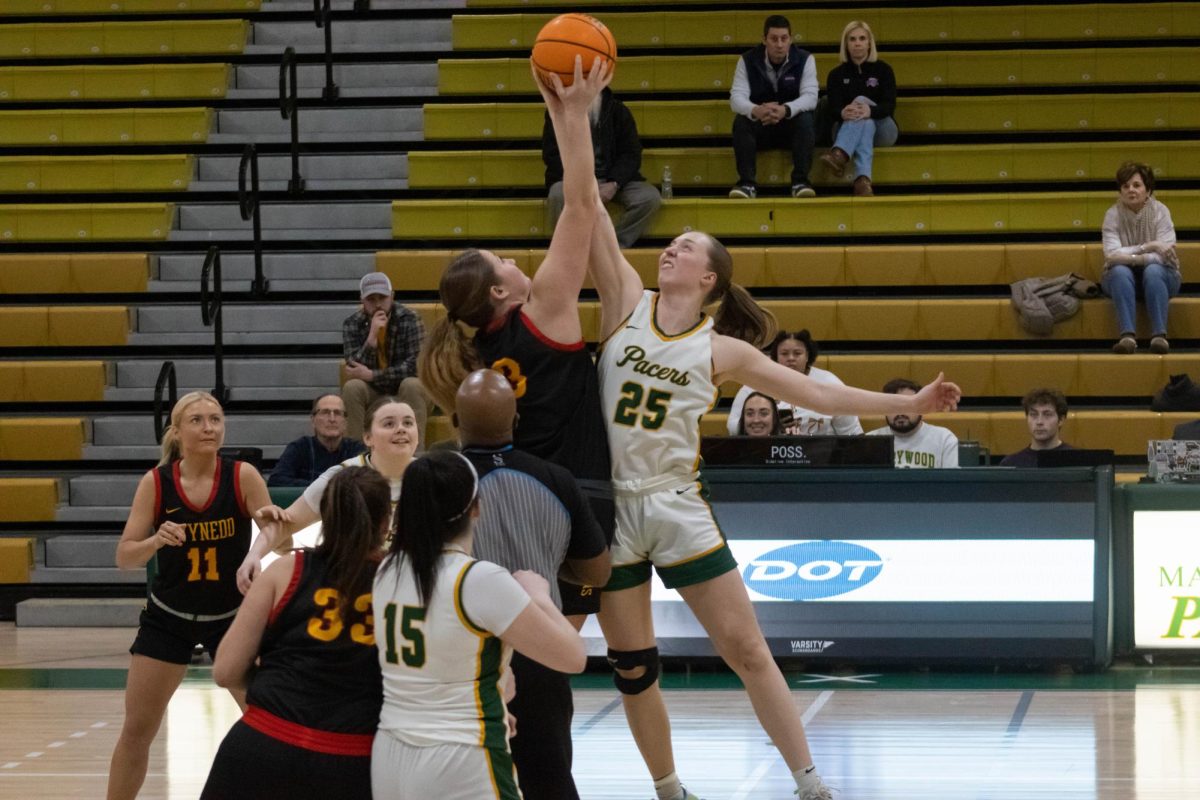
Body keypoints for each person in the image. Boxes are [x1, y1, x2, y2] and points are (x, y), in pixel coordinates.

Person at [586, 204, 961, 799]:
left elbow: (818, 393)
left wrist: (912, 402)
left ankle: (810, 783)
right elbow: (589, 209)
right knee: (632, 667)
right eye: (672, 244)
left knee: (748, 650)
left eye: (686, 247)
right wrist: (574, 114)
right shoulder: (625, 301)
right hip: (612, 507)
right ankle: (668, 789)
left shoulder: (723, 351)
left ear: (709, 278)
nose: (670, 250)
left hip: (676, 505)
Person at [418, 58, 615, 628]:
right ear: (501, 289)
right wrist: (574, 112)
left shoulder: (475, 350)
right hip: (574, 493)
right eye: (502, 260)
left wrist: (560, 110)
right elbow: (581, 205)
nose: (511, 258)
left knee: (509, 647)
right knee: (552, 658)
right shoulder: (543, 315)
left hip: (505, 501)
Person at [370, 451, 587, 800]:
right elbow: (573, 658)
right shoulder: (478, 580)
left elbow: (446, 652)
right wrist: (538, 594)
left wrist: (497, 696)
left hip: (390, 754)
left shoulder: (387, 570)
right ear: (476, 508)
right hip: (460, 757)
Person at [107, 392, 272, 800]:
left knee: (269, 723)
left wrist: (255, 554)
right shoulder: (156, 482)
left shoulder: (242, 475)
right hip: (169, 616)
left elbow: (274, 529)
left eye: (215, 419)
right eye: (197, 420)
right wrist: (154, 542)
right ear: (177, 432)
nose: (209, 427)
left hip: (233, 617)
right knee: (138, 730)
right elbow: (124, 556)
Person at [456, 368, 611, 799]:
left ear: (456, 422)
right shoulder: (556, 479)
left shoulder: (442, 478)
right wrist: (544, 561)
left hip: (468, 657)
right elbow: (597, 573)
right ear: (516, 419)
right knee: (550, 780)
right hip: (541, 650)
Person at [202, 467, 389, 799]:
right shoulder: (400, 582)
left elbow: (225, 671)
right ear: (386, 523)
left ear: (325, 517)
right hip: (352, 759)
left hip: (263, 745)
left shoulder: (288, 569)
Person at [237, 396, 418, 589]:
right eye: (389, 423)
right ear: (368, 437)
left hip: (411, 587)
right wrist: (254, 555)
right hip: (354, 587)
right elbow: (286, 524)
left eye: (408, 422)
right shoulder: (342, 476)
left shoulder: (433, 476)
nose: (401, 429)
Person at [543, 86, 661, 248]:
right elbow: (552, 155)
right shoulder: (559, 112)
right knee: (557, 194)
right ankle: (569, 249)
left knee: (648, 198)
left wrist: (614, 183)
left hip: (614, 179)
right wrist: (582, 183)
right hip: (575, 179)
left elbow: (631, 153)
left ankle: (613, 247)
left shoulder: (619, 111)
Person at [728, 14, 818, 199]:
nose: (779, 44)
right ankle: (747, 184)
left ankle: (800, 182)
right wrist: (756, 110)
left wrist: (785, 110)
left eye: (784, 39)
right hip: (762, 125)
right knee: (741, 122)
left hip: (789, 126)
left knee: (806, 119)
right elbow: (736, 98)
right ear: (764, 40)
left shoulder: (805, 59)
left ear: (791, 39)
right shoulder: (746, 60)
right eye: (774, 39)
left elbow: (811, 97)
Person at [1100, 161, 1181, 354]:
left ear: (1148, 190)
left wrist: (1129, 256)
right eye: (1125, 186)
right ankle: (1127, 337)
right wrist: (1150, 246)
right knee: (1119, 271)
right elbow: (1111, 255)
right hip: (1122, 280)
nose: (1131, 190)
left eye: (1137, 185)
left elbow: (1165, 257)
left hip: (1163, 276)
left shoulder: (1161, 211)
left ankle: (1159, 337)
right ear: (1120, 191)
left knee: (1153, 270)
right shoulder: (1112, 214)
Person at [342, 271, 431, 444]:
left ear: (392, 296)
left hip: (405, 390)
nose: (377, 305)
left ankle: (413, 460)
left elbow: (415, 366)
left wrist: (373, 375)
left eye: (382, 298)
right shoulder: (352, 323)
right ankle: (358, 459)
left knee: (411, 384)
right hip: (375, 391)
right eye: (371, 299)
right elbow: (354, 367)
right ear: (362, 300)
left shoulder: (410, 319)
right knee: (352, 388)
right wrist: (371, 339)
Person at [726, 329, 864, 436]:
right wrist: (772, 426)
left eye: (797, 353)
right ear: (775, 357)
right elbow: (732, 427)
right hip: (768, 454)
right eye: (784, 353)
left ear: (808, 356)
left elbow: (852, 431)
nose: (791, 358)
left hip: (822, 457)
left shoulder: (830, 382)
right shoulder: (755, 383)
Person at [819, 20, 898, 197]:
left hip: (884, 129)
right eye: (852, 39)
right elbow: (832, 109)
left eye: (862, 38)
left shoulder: (884, 70)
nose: (857, 43)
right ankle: (862, 181)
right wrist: (842, 112)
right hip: (845, 129)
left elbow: (889, 106)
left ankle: (839, 154)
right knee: (866, 123)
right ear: (846, 44)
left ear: (870, 42)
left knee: (863, 104)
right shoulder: (836, 75)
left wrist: (870, 110)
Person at [268, 393, 366, 487]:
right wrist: (323, 486)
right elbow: (276, 480)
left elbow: (367, 482)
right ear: (313, 421)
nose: (332, 419)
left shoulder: (357, 450)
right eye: (325, 412)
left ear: (345, 422)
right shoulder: (300, 448)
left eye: (337, 413)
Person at [866, 378, 960, 468]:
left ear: (921, 407)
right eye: (893, 407)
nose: (900, 413)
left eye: (907, 406)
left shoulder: (944, 439)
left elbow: (955, 482)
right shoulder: (869, 442)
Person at [999, 388, 1075, 467]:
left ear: (1061, 420)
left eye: (1047, 415)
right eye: (1033, 414)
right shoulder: (1010, 464)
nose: (1039, 422)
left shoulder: (1076, 461)